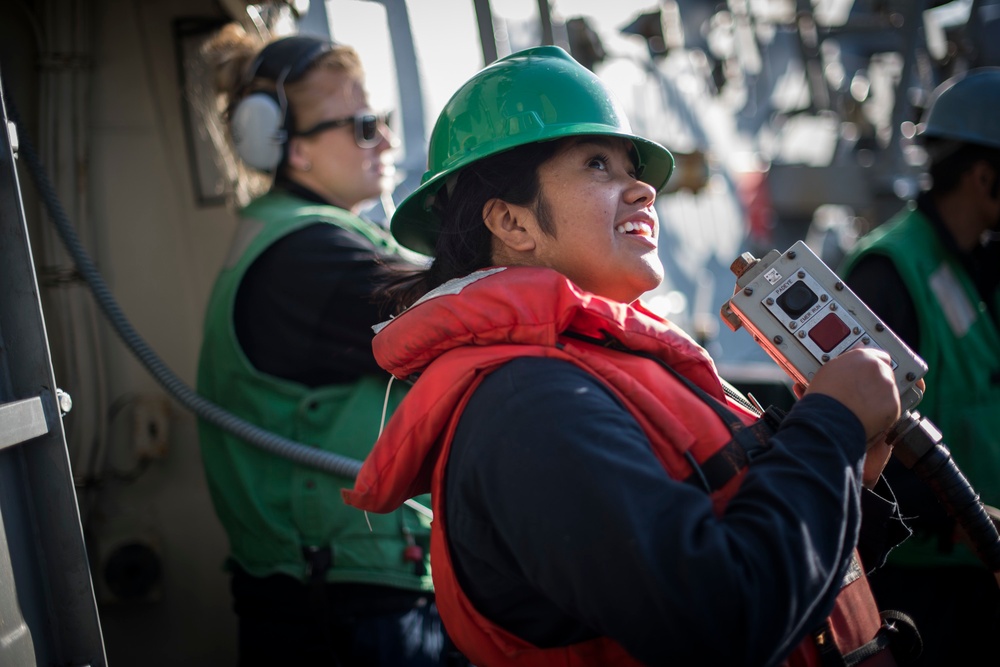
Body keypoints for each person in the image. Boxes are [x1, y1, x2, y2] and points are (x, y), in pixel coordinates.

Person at [343, 45, 917, 666]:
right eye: (598, 165)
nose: (643, 188)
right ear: (511, 223)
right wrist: (828, 432)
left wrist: (842, 475)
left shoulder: (585, 371)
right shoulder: (530, 408)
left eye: (631, 168)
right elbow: (721, 618)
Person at [195, 25, 463, 667]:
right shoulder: (304, 256)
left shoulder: (302, 237)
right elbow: (459, 304)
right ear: (291, 150)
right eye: (364, 125)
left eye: (385, 121)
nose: (389, 141)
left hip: (348, 585)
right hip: (342, 606)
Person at [839, 67, 1000, 666]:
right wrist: (963, 519)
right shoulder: (887, 274)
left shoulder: (983, 266)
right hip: (924, 595)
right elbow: (856, 446)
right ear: (985, 177)